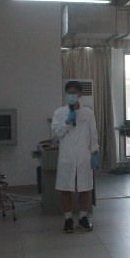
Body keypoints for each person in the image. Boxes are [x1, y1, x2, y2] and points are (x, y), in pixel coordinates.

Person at [52, 81, 100, 232]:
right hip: (67, 156)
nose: (71, 95)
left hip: (84, 156)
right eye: (68, 93)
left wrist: (94, 153)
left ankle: (83, 218)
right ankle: (68, 219)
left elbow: (93, 134)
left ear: (80, 94)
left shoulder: (88, 113)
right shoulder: (59, 113)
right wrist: (67, 121)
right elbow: (56, 133)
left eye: (74, 93)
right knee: (66, 188)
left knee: (85, 187)